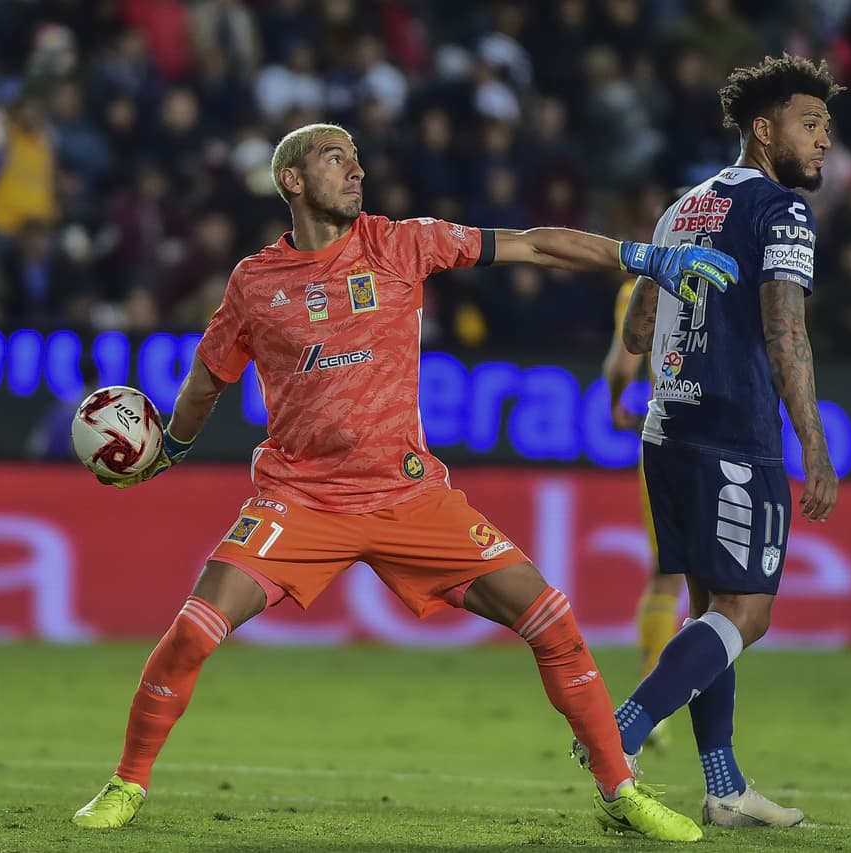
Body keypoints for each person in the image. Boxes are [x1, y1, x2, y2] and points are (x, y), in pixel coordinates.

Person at [71, 122, 739, 843]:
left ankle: (620, 789)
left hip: (410, 495)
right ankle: (127, 782)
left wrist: (640, 256)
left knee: (552, 619)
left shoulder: (400, 243)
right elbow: (209, 375)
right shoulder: (254, 284)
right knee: (192, 631)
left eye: (359, 161)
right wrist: (171, 444)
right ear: (292, 180)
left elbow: (531, 242)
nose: (357, 171)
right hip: (302, 500)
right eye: (336, 159)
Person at [576, 54, 842, 829]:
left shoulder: (681, 208)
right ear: (765, 131)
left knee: (710, 617)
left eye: (828, 126)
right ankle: (617, 732)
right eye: (810, 124)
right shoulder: (782, 212)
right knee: (747, 614)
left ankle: (724, 786)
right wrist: (815, 449)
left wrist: (646, 367)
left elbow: (634, 324)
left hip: (669, 431)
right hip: (734, 433)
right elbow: (786, 330)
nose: (825, 141)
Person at [601, 277, 682, 749]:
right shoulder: (743, 273)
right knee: (718, 592)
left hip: (665, 438)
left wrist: (616, 401)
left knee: (666, 575)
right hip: (732, 441)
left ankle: (653, 707)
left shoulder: (643, 283)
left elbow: (622, 363)